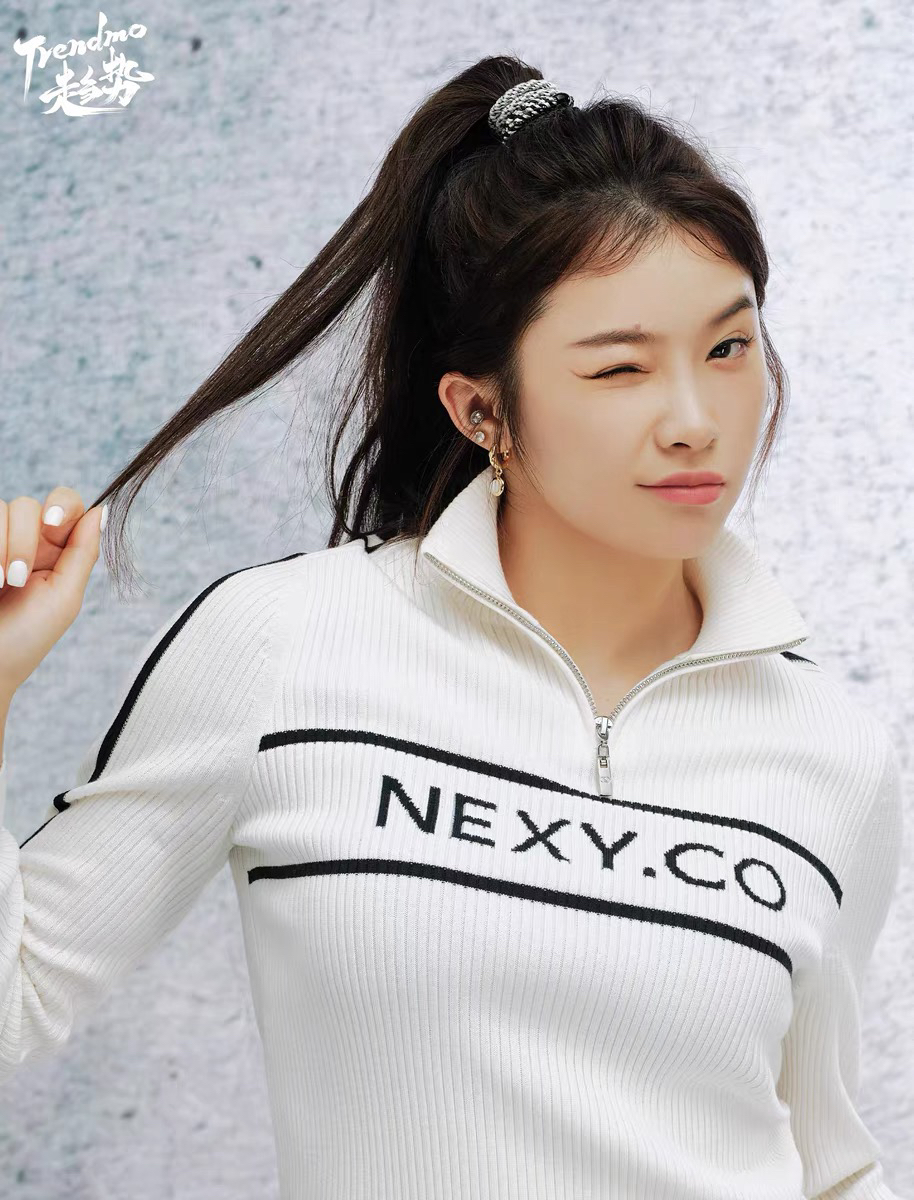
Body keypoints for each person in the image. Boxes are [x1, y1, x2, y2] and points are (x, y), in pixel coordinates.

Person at [0, 55, 904, 1200]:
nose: (695, 420)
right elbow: (16, 1003)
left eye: (726, 349)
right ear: (482, 410)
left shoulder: (830, 754)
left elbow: (829, 1163)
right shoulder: (284, 648)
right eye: (620, 368)